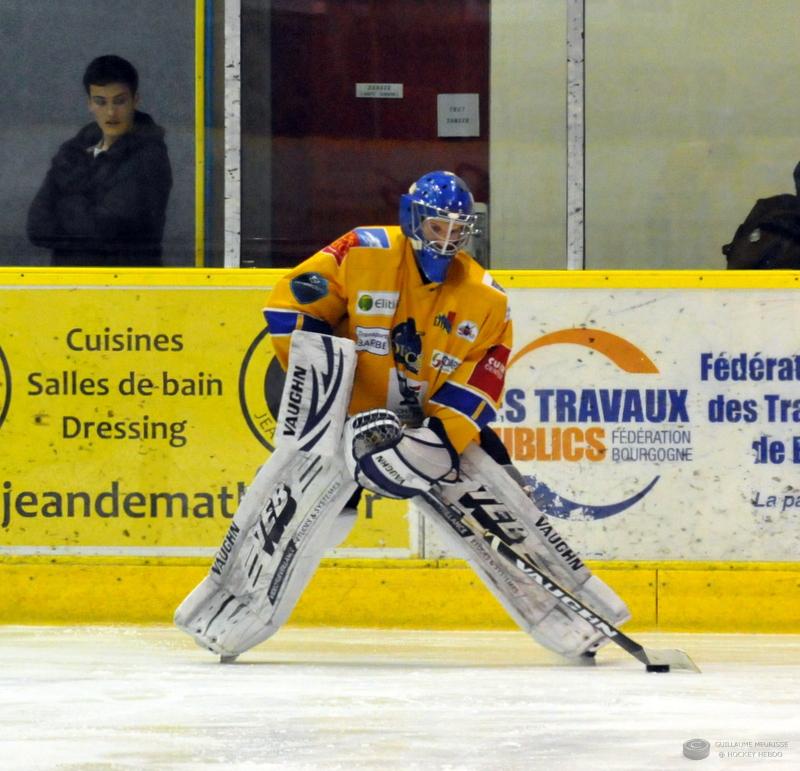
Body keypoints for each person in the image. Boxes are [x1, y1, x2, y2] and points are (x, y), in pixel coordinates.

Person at [175, 171, 629, 662]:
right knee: (292, 513)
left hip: (429, 424)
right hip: (346, 417)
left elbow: (480, 385)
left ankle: (579, 621)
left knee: (506, 512)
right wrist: (331, 405)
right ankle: (222, 614)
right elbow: (290, 308)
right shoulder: (362, 250)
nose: (448, 239)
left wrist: (434, 444)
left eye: (458, 230)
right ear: (413, 218)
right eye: (438, 227)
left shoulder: (487, 297)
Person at [26, 55, 172, 267]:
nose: (111, 112)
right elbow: (36, 227)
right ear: (89, 104)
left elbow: (105, 230)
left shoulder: (149, 156)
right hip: (68, 288)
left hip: (128, 288)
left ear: (135, 100)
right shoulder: (73, 151)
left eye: (119, 101)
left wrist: (66, 201)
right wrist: (86, 215)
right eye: (101, 102)